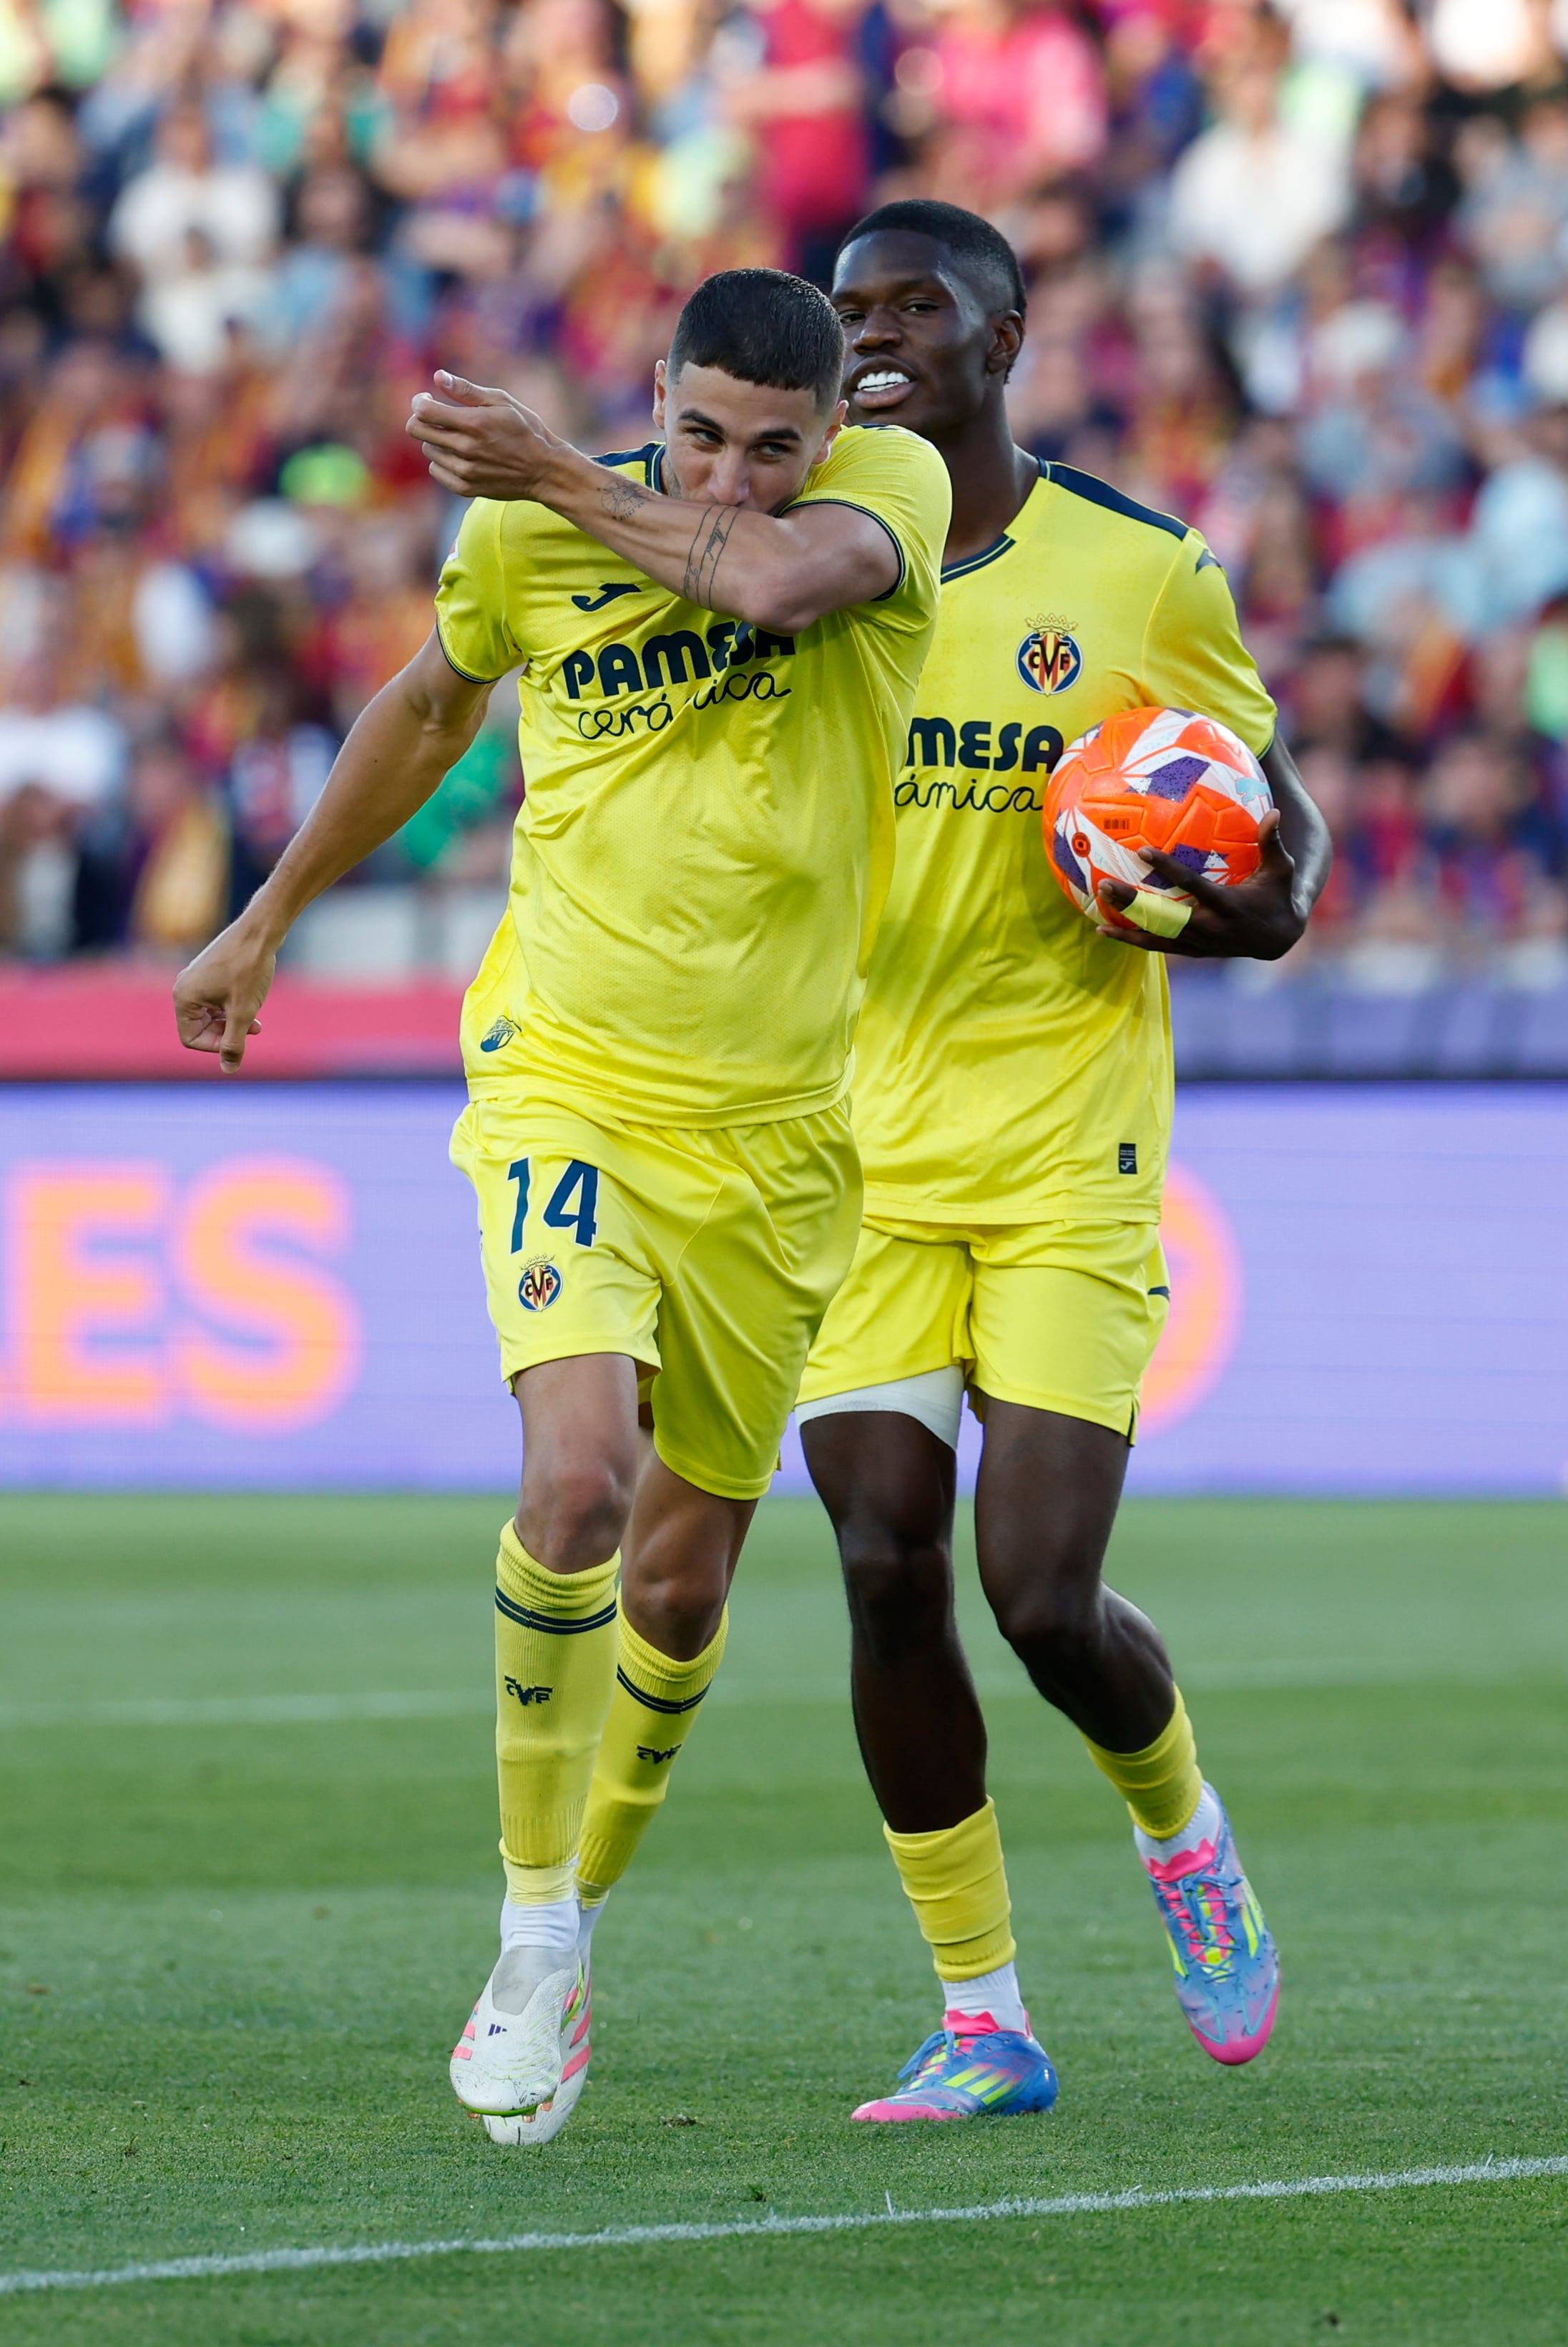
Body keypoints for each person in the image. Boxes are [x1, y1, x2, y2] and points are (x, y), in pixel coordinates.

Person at [171, 267, 950, 2148]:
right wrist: (265, 914)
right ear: (656, 398)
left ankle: (581, 1905)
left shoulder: (891, 509)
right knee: (578, 1480)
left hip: (776, 1142)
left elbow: (760, 584)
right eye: (701, 436)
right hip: (565, 1081)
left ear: (835, 430)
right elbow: (434, 710)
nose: (738, 478)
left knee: (684, 1577)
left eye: (777, 447)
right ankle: (528, 1933)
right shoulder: (536, 531)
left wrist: (551, 471)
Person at [793, 200, 1331, 2122]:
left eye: (912, 307)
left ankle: (1180, 1833)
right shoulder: (807, 567)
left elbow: (1271, 815)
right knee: (878, 1563)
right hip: (850, 1143)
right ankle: (981, 2013)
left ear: (1004, 340)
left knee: (1035, 1597)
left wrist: (1257, 906)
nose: (871, 337)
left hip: (1062, 1144)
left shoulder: (1139, 574)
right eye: (849, 310)